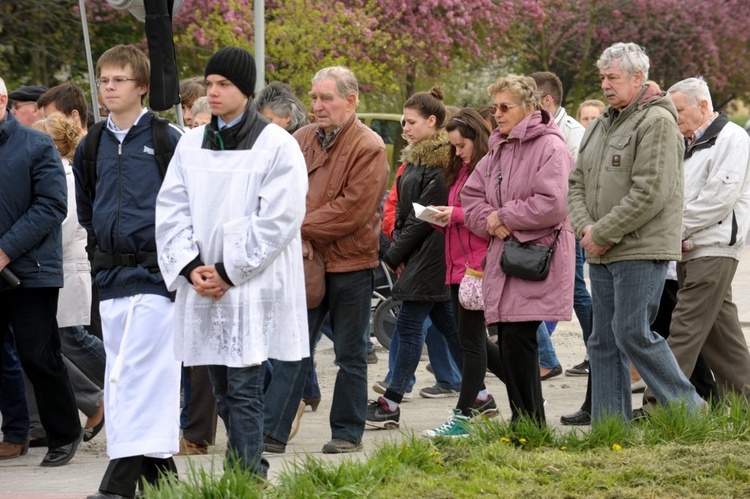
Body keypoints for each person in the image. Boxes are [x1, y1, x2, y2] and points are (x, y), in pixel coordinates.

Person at [156, 46, 309, 476]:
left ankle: (245, 475)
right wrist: (190, 266)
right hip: (203, 281)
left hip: (250, 284)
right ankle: (245, 463)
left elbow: (280, 216)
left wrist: (228, 270)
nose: (214, 92)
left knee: (243, 385)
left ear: (245, 88)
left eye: (224, 84)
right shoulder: (190, 144)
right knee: (221, 387)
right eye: (209, 84)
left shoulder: (276, 145)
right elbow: (171, 207)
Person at [567, 42, 705, 423]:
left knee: (632, 333)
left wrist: (604, 231)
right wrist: (586, 229)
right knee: (602, 340)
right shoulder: (598, 124)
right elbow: (576, 183)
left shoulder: (657, 121)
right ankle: (611, 425)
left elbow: (651, 191)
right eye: (602, 78)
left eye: (613, 77)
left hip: (640, 248)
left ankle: (690, 412)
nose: (605, 85)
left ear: (638, 77)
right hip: (601, 247)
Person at [73, 44, 184, 499]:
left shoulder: (165, 137)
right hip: (111, 280)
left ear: (141, 86)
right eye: (103, 80)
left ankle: (118, 485)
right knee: (128, 376)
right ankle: (165, 483)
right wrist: (100, 251)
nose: (108, 88)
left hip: (156, 280)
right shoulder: (92, 142)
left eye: (118, 80)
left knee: (132, 379)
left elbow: (186, 204)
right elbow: (86, 206)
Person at [263, 66, 389, 455]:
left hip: (350, 263)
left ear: (350, 101)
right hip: (306, 260)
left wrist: (296, 229)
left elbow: (351, 211)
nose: (316, 105)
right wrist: (293, 232)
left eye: (326, 98)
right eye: (314, 97)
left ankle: (347, 433)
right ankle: (271, 432)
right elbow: (275, 190)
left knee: (350, 353)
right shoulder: (299, 139)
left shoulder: (370, 146)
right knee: (293, 347)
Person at [462, 74, 575, 425]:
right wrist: (489, 220)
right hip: (506, 258)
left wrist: (503, 216)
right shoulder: (499, 147)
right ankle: (524, 420)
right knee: (510, 341)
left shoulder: (551, 147)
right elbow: (471, 195)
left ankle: (529, 422)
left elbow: (553, 202)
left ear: (530, 107)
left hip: (536, 257)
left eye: (505, 106)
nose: (497, 113)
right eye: (495, 107)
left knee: (521, 341)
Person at [639, 77, 750, 411]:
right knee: (722, 337)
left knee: (683, 329)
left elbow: (719, 198)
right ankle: (745, 405)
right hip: (692, 249)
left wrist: (673, 229)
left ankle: (657, 406)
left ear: (703, 105)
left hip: (713, 248)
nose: (675, 117)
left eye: (680, 109)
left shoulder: (733, 138)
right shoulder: (689, 142)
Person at [365, 87, 464, 430]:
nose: (404, 127)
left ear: (432, 122)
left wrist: (393, 254)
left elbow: (425, 220)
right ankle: (481, 394)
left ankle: (391, 401)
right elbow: (405, 211)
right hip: (420, 254)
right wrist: (398, 248)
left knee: (409, 326)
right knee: (452, 329)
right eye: (404, 121)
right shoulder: (416, 158)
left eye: (411, 121)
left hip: (432, 255)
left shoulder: (439, 163)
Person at [0, 77, 82, 466]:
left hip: (29, 272)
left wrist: (5, 250)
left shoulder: (35, 145)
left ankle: (64, 434)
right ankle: (15, 433)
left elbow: (51, 206)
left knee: (39, 355)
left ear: (2, 101)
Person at [422, 107, 500, 437]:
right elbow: (462, 217)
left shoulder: (486, 169)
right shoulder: (463, 169)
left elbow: (486, 219)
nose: (457, 151)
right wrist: (441, 220)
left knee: (470, 346)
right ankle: (531, 400)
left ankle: (463, 417)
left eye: (460, 145)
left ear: (475, 139)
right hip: (457, 266)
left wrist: (452, 215)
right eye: (453, 146)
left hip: (476, 268)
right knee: (478, 344)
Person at [31, 114, 106, 443]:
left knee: (71, 339)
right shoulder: (53, 173)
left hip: (63, 268)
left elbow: (61, 227)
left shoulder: (65, 176)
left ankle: (121, 382)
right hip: (54, 269)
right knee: (62, 341)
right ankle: (101, 397)